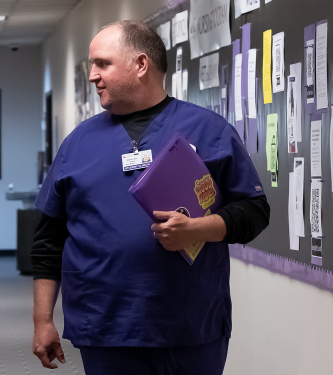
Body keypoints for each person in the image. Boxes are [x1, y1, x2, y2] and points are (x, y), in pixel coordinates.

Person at [30, 21, 271, 375]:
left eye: (103, 63)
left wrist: (200, 228)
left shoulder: (209, 131)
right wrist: (42, 319)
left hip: (188, 322)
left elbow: (254, 211)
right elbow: (48, 241)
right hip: (105, 324)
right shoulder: (77, 144)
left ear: (141, 64)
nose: (93, 75)